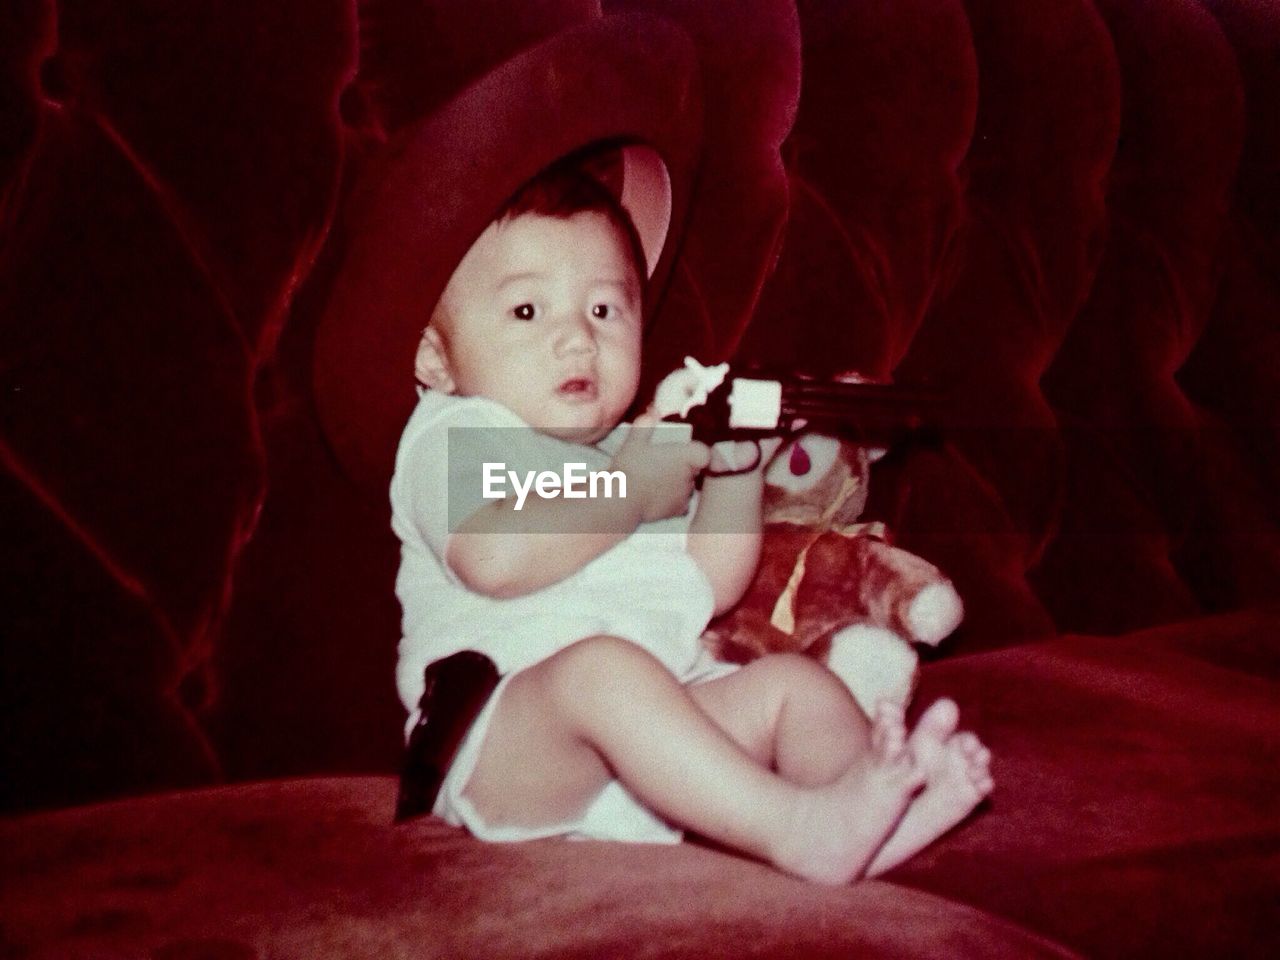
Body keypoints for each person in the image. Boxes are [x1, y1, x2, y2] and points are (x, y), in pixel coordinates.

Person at [390, 161, 993, 884]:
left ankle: (860, 806)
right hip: (505, 747)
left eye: (605, 310)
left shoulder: (632, 452)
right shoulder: (461, 434)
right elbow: (493, 556)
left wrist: (732, 477)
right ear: (437, 357)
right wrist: (631, 493)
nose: (579, 339)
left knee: (794, 687)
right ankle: (793, 829)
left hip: (664, 748)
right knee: (601, 674)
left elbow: (710, 582)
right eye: (527, 312)